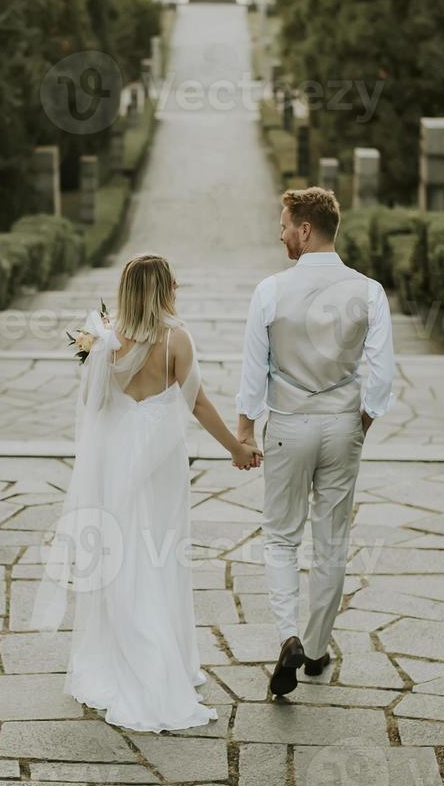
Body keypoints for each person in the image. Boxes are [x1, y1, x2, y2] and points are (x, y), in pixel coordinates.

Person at [32, 253, 261, 731]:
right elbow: (196, 401)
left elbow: (90, 404)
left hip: (115, 455)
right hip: (159, 458)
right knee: (158, 551)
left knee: (121, 550)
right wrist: (236, 449)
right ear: (165, 289)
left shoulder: (102, 339)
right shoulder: (176, 338)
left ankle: (117, 655)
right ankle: (160, 661)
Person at [235, 187, 396, 697]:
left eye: (284, 225)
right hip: (342, 424)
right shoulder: (369, 291)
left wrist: (244, 428)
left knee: (281, 537)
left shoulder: (270, 290)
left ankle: (288, 635)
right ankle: (316, 646)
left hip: (287, 424)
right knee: (331, 542)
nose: (280, 233)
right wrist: (361, 421)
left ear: (306, 230)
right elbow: (382, 375)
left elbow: (252, 369)